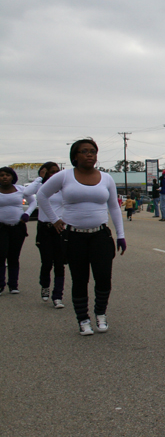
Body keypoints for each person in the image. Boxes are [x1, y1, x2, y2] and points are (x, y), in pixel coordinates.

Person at [37, 139, 126, 335]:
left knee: (103, 278)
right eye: (84, 151)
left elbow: (113, 206)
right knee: (80, 279)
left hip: (100, 235)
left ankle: (100, 314)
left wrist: (121, 235)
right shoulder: (64, 176)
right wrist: (54, 219)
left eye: (93, 151)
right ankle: (83, 319)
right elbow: (41, 195)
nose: (89, 154)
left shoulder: (106, 178)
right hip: (74, 236)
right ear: (75, 156)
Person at [24, 162, 66, 305]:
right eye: (50, 172)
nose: (54, 174)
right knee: (47, 262)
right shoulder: (41, 187)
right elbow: (27, 192)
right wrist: (39, 179)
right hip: (45, 228)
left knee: (60, 263)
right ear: (45, 173)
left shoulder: (62, 187)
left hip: (60, 228)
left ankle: (58, 295)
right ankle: (45, 286)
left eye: (56, 171)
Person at [0, 167, 31, 296]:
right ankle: (0, 284)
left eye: (7, 175)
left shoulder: (21, 190)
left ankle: (13, 285)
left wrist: (27, 214)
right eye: (1, 175)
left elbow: (33, 202)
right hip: (1, 227)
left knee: (14, 256)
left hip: (18, 227)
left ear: (12, 176)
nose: (4, 177)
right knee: (1, 255)